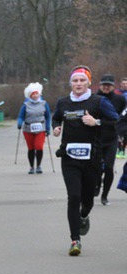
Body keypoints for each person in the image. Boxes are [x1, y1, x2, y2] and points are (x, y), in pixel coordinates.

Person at [52, 65, 119, 256]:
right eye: (75, 80)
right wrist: (56, 127)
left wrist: (96, 122)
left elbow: (116, 121)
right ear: (70, 83)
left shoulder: (99, 102)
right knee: (74, 196)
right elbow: (56, 118)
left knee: (88, 199)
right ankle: (75, 240)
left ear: (89, 82)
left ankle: (83, 215)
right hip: (69, 157)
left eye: (82, 80)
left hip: (92, 158)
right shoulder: (63, 102)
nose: (78, 83)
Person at [95, 74, 126, 204]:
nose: (106, 87)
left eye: (109, 85)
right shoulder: (94, 98)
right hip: (96, 138)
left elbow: (122, 119)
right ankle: (97, 184)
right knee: (96, 168)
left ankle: (105, 195)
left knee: (108, 167)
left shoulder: (120, 99)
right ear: (100, 85)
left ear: (113, 86)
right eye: (104, 85)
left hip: (112, 138)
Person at [16, 82, 51, 174]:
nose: (35, 96)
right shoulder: (25, 105)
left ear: (39, 94)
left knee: (39, 146)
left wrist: (48, 128)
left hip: (41, 128)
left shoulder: (44, 104)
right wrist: (19, 123)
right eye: (33, 94)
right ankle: (32, 166)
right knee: (31, 148)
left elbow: (48, 116)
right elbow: (21, 116)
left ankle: (38, 165)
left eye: (36, 93)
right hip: (28, 129)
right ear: (30, 95)